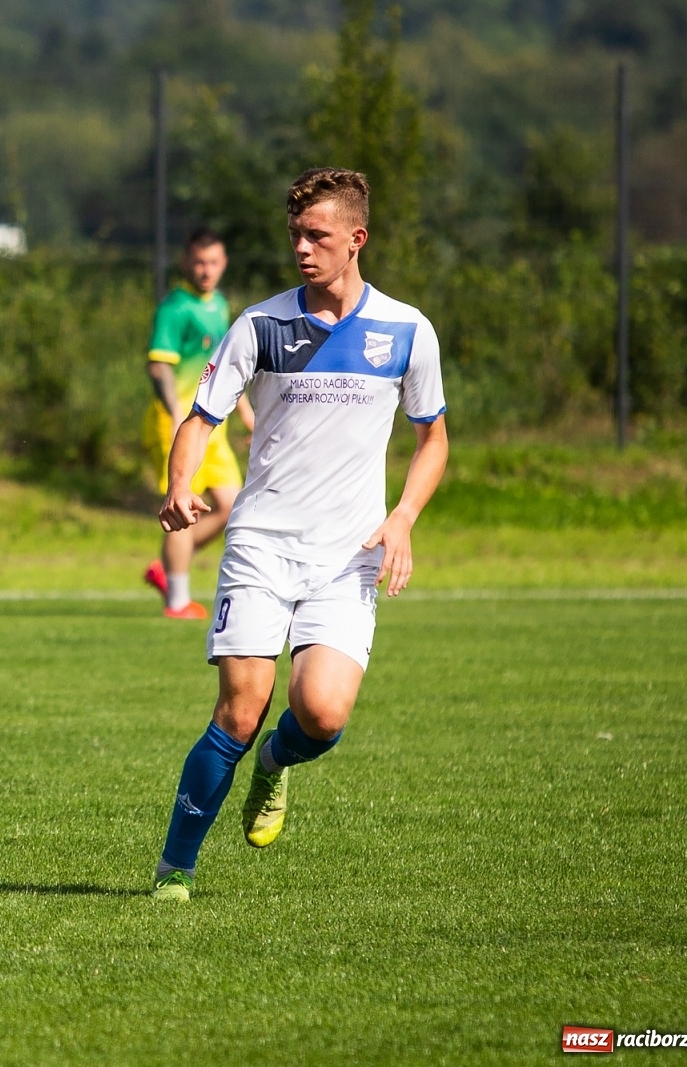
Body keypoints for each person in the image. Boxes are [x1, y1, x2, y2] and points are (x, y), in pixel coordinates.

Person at [148, 169, 449, 901]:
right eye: (296, 236)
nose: (303, 249)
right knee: (240, 708)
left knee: (320, 712)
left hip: (347, 556)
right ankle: (175, 867)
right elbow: (200, 418)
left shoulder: (406, 330)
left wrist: (402, 516)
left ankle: (276, 764)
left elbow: (433, 437)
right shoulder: (261, 324)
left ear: (357, 238)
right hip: (261, 543)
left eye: (318, 235)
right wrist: (180, 483)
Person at [142, 230, 256, 619]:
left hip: (213, 427)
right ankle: (177, 601)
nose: (205, 270)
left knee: (231, 505)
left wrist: (245, 411)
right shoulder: (176, 308)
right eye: (198, 262)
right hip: (177, 424)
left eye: (213, 262)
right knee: (182, 505)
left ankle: (168, 568)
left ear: (223, 264)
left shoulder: (220, 306)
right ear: (185, 262)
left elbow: (224, 368)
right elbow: (158, 366)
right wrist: (175, 412)